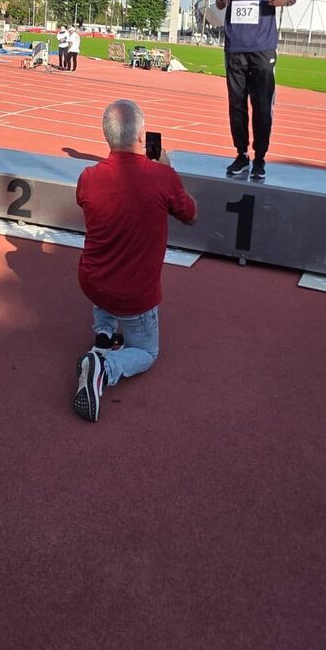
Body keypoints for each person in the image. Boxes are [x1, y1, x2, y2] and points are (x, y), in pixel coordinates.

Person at [74, 99, 197, 422]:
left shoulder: (87, 177)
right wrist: (168, 171)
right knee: (146, 352)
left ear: (107, 137)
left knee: (106, 263)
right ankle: (106, 366)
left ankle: (104, 332)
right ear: (142, 136)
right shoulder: (162, 178)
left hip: (92, 282)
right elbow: (190, 215)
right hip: (134, 295)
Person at [213, 0, 296, 180]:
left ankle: (260, 158)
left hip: (262, 47)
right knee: (236, 106)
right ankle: (241, 155)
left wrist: (281, 1)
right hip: (235, 46)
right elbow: (219, 4)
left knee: (261, 106)